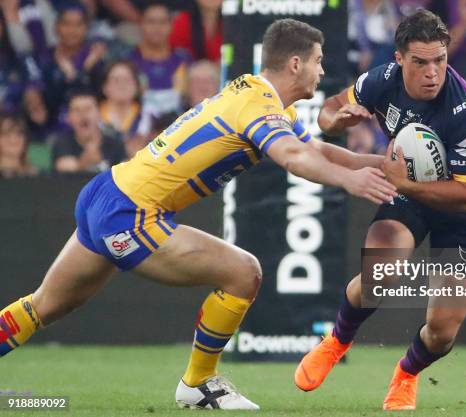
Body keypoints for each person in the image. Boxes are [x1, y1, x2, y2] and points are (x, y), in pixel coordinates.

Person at [0, 18, 397, 410]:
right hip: (131, 213)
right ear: (295, 64)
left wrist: (381, 164)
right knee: (244, 273)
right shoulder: (257, 105)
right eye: (318, 60)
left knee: (44, 306)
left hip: (107, 191)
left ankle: (199, 382)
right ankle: (199, 383)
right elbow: (294, 157)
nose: (323, 70)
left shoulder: (264, 100)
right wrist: (350, 182)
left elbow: (319, 151)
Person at [294, 9, 466, 411]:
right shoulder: (381, 80)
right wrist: (335, 120)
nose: (432, 72)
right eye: (420, 62)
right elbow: (329, 108)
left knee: (441, 333)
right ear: (400, 58)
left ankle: (406, 373)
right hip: (405, 191)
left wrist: (402, 182)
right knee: (380, 277)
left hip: (459, 209)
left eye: (440, 60)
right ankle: (337, 341)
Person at [52, 89, 126, 173]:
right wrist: (84, 163)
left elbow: (124, 173)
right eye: (77, 110)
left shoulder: (115, 143)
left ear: (99, 113)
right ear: (69, 117)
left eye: (88, 109)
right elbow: (63, 167)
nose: (83, 114)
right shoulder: (62, 142)